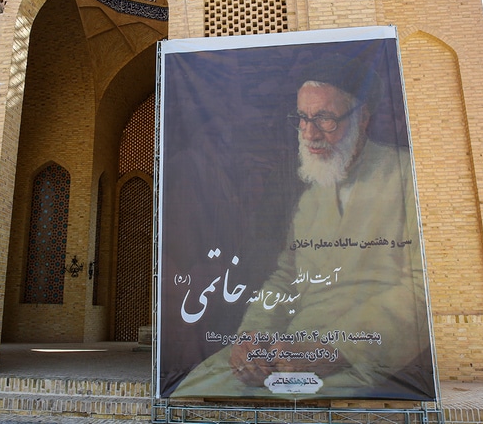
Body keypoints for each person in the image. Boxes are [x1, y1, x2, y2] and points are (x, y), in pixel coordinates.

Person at [170, 58, 434, 400]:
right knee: (192, 390)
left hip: (362, 355)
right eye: (302, 119)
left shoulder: (407, 176)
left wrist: (332, 350)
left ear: (363, 118)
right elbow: (287, 277)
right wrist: (250, 338)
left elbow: (422, 288)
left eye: (324, 118)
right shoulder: (314, 192)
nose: (309, 134)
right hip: (288, 350)